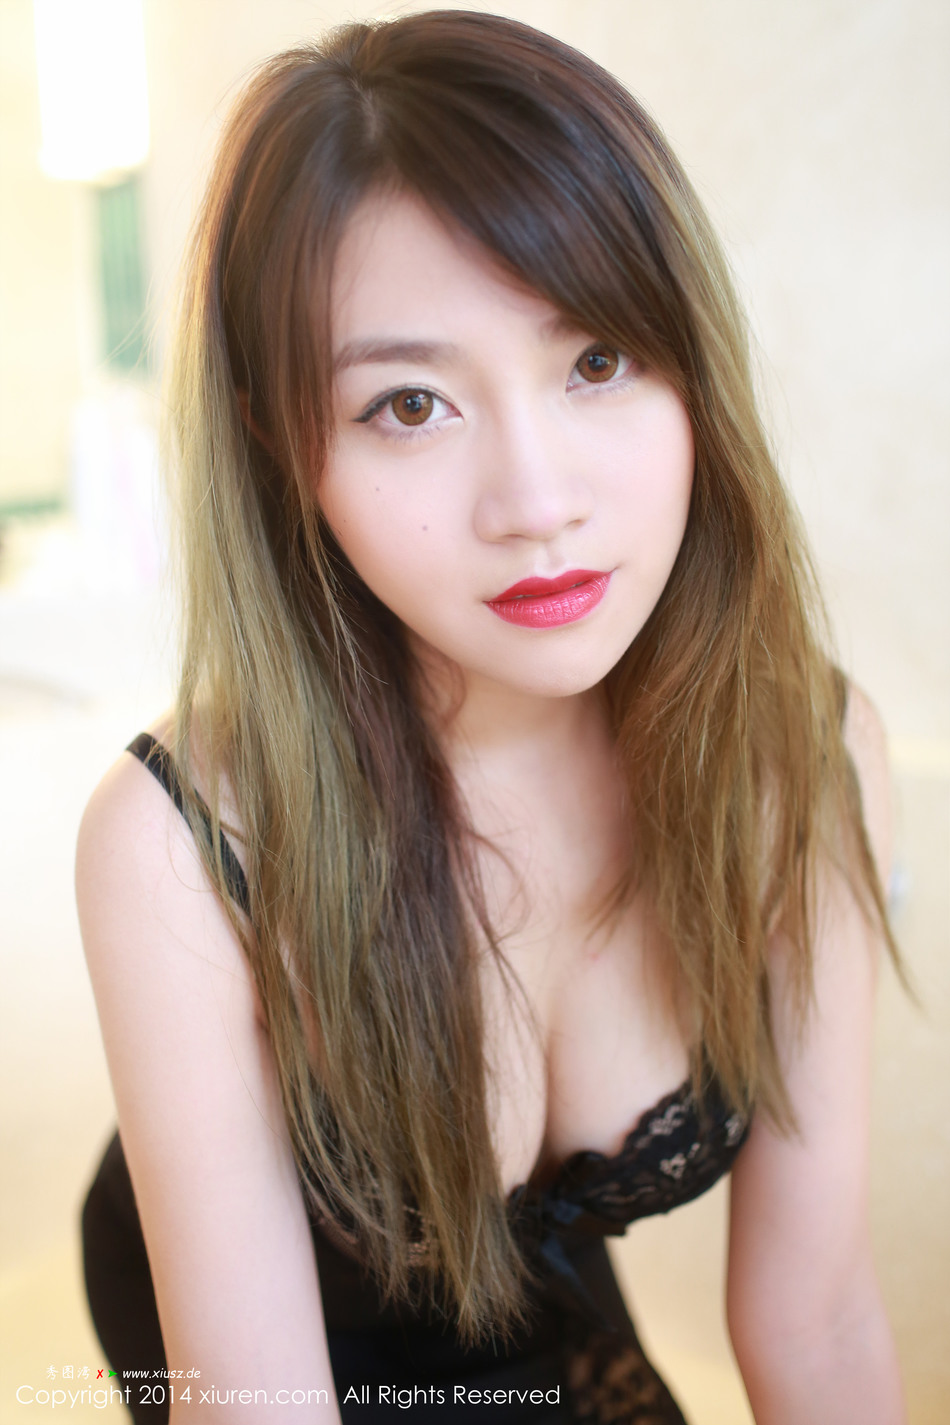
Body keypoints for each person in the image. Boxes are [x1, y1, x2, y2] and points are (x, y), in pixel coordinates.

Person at [77, 11, 906, 1424]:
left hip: (540, 1298)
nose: (537, 503)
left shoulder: (804, 762)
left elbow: (813, 1321)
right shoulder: (181, 846)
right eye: (409, 403)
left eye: (597, 361)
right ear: (283, 444)